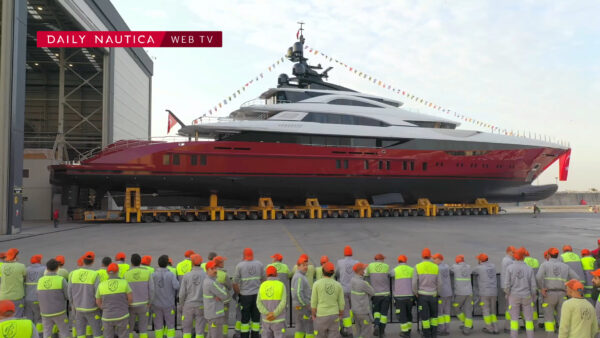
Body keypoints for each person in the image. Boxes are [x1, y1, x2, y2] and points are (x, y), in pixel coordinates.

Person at [537, 247, 580, 335]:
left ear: (548, 255)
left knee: (549, 319)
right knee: (562, 319)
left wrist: (541, 288)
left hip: (549, 295)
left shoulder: (545, 265)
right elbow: (577, 278)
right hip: (562, 294)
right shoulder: (565, 266)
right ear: (558, 255)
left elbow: (538, 277)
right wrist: (568, 288)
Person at [69, 251, 103, 338]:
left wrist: (73, 305)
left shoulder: (73, 274)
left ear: (83, 261)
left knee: (80, 333)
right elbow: (98, 293)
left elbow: (69, 293)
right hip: (92, 309)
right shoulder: (95, 275)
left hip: (78, 309)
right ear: (93, 262)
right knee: (97, 332)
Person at [233, 247, 265, 338]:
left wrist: (239, 294)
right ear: (252, 255)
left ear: (244, 256)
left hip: (245, 296)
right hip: (257, 295)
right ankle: (255, 335)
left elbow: (235, 283)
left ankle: (245, 335)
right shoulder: (259, 264)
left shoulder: (240, 266)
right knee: (256, 318)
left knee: (245, 319)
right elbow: (264, 279)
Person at [505, 247, 536, 338]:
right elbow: (533, 286)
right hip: (526, 296)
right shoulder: (529, 268)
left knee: (514, 320)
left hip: (514, 296)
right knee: (529, 320)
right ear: (523, 257)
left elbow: (507, 284)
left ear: (515, 256)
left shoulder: (510, 268)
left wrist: (507, 294)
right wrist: (533, 296)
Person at [96, 263, 133, 338]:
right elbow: (130, 299)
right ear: (118, 271)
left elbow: (98, 301)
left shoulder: (101, 285)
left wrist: (104, 308)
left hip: (107, 317)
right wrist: (125, 306)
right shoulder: (124, 283)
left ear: (107, 272)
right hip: (122, 315)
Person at [123, 253, 154, 338]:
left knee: (129, 328)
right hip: (144, 304)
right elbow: (151, 289)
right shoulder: (147, 273)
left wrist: (126, 303)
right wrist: (150, 302)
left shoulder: (126, 274)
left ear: (131, 262)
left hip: (131, 305)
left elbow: (124, 291)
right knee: (143, 329)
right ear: (140, 262)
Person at [37, 258, 70, 337]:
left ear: (47, 268)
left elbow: (38, 295)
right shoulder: (61, 280)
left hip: (45, 312)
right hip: (59, 312)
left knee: (47, 332)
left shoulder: (40, 280)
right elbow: (68, 295)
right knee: (64, 332)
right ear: (57, 268)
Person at [412, 248, 441, 338]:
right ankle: (434, 334)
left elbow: (414, 283)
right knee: (434, 317)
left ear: (422, 256)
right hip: (433, 295)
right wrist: (437, 293)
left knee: (425, 317)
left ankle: (426, 334)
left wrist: (416, 293)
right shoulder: (436, 267)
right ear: (430, 256)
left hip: (422, 296)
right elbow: (440, 283)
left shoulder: (417, 266)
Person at [311, 261, 344, 338]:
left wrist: (313, 314)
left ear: (322, 272)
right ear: (333, 273)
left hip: (321, 315)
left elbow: (314, 302)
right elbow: (341, 302)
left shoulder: (317, 284)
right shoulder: (338, 285)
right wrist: (341, 314)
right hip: (334, 315)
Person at [179, 253, 206, 338]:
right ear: (201, 262)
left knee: (186, 329)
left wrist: (182, 304)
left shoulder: (187, 275)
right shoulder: (205, 275)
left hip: (188, 305)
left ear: (192, 263)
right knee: (200, 330)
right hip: (201, 305)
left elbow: (182, 293)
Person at [152, 254, 180, 338]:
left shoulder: (153, 275)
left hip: (156, 304)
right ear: (167, 263)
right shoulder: (171, 275)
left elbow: (150, 288)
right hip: (169, 304)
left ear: (158, 263)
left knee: (158, 325)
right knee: (170, 325)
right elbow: (176, 286)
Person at [257, 266, 287, 338]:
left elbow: (258, 303)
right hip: (279, 320)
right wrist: (274, 314)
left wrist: (267, 314)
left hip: (266, 320)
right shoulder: (281, 285)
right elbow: (283, 302)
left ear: (267, 275)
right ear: (276, 274)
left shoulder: (262, 286)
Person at [472, 253, 499, 334]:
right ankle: (496, 328)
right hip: (494, 292)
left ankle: (489, 328)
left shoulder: (479, 268)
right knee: (493, 311)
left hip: (484, 292)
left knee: (486, 310)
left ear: (480, 260)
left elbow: (473, 271)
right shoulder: (493, 266)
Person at [364, 253, 390, 337]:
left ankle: (376, 324)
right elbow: (391, 274)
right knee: (384, 314)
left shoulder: (370, 266)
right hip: (385, 294)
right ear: (382, 260)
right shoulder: (386, 266)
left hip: (375, 294)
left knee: (376, 312)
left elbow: (365, 274)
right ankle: (382, 331)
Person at [335, 245, 358, 336]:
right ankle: (351, 326)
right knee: (352, 309)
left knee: (345, 310)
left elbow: (337, 273)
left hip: (343, 290)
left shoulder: (340, 262)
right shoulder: (356, 262)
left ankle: (348, 330)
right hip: (353, 289)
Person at [203, 260, 229, 338]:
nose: (215, 270)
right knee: (216, 335)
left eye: (215, 268)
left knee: (211, 334)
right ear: (207, 270)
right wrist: (222, 290)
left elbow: (222, 294)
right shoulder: (212, 283)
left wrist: (220, 293)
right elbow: (225, 295)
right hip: (215, 314)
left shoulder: (209, 280)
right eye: (212, 269)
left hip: (211, 313)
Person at [391, 255, 414, 338]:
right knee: (409, 313)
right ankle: (409, 329)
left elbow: (389, 275)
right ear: (406, 261)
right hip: (410, 296)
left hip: (399, 296)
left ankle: (405, 332)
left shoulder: (395, 270)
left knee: (402, 314)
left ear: (398, 261)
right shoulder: (411, 269)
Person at [0, 248, 27, 317]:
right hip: (16, 297)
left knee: (4, 317)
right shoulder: (21, 266)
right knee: (17, 316)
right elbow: (25, 277)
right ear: (15, 256)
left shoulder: (2, 266)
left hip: (3, 297)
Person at [450, 254, 473, 335]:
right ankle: (467, 327)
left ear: (456, 261)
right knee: (468, 311)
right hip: (469, 293)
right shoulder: (469, 267)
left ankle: (464, 321)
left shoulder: (455, 267)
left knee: (456, 307)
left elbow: (450, 270)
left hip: (460, 293)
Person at [292, 255, 313, 338]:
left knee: (300, 327)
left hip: (298, 305)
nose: (306, 267)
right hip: (302, 306)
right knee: (309, 326)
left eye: (307, 265)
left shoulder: (300, 276)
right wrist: (306, 304)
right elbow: (298, 293)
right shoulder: (299, 277)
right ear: (298, 266)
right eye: (303, 265)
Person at [350, 262, 374, 338]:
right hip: (363, 312)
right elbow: (372, 292)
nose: (365, 270)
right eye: (364, 269)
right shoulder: (363, 283)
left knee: (359, 331)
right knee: (366, 332)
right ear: (360, 271)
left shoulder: (352, 280)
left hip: (355, 311)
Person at [24, 254, 44, 333]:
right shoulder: (43, 269)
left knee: (29, 319)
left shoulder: (26, 269)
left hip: (27, 298)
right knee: (39, 319)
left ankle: (30, 334)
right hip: (37, 298)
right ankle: (38, 334)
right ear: (39, 261)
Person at [433, 252, 451, 336]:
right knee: (447, 312)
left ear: (439, 259)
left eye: (435, 259)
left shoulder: (437, 268)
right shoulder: (446, 266)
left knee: (440, 313)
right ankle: (447, 329)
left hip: (441, 293)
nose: (433, 260)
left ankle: (441, 329)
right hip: (448, 293)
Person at [214, 255, 233, 337]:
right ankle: (224, 335)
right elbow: (229, 286)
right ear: (220, 264)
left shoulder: (210, 273)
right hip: (224, 301)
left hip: (213, 301)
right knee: (224, 319)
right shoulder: (223, 274)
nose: (224, 263)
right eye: (223, 261)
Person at [501, 246, 516, 333]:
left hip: (506, 287)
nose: (514, 254)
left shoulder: (505, 260)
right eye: (513, 252)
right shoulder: (509, 261)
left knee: (509, 307)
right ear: (509, 252)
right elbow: (512, 275)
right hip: (509, 288)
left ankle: (508, 326)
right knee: (511, 308)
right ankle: (508, 327)